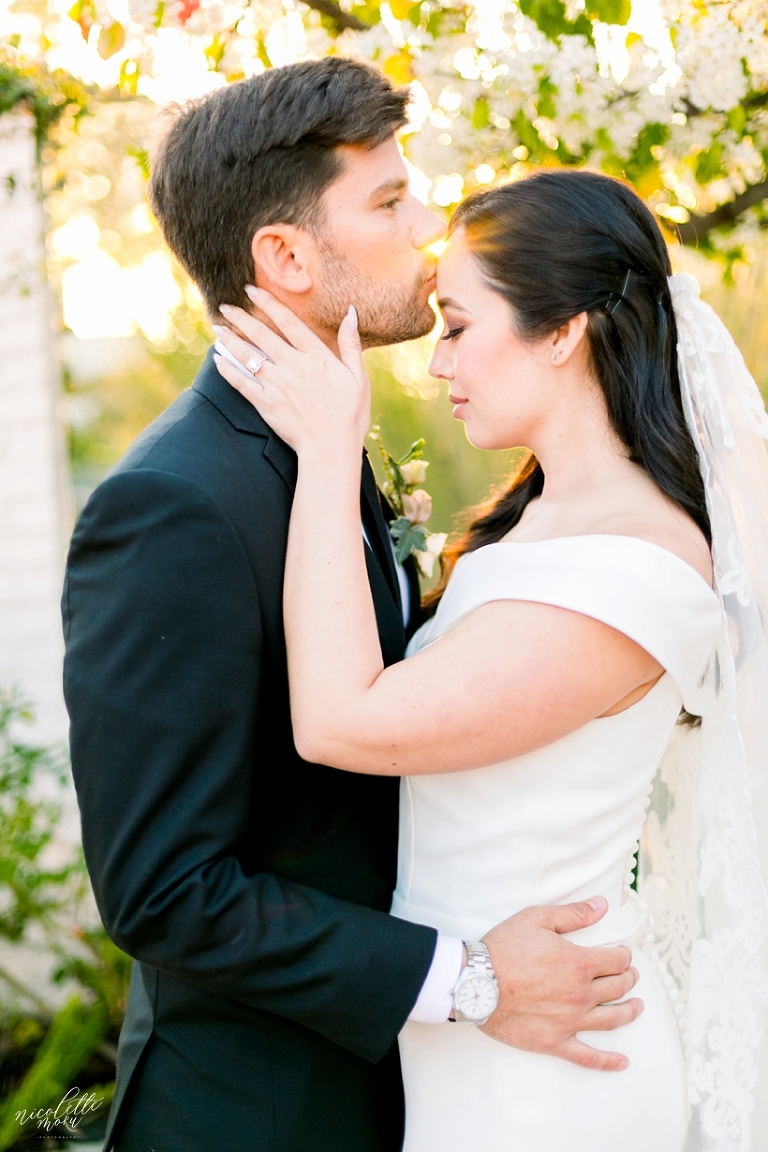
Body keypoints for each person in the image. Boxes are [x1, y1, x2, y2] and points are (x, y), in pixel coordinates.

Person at [62, 63, 641, 1152]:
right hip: (258, 1116)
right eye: (388, 202)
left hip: (411, 1097)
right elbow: (161, 891)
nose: (428, 226)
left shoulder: (325, 446)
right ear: (284, 256)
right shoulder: (172, 504)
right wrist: (462, 978)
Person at [213, 166, 768, 1150]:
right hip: (483, 1035)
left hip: (559, 1073)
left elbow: (344, 721)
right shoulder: (538, 522)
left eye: (459, 325)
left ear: (562, 331)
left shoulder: (638, 566)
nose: (435, 364)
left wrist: (331, 448)